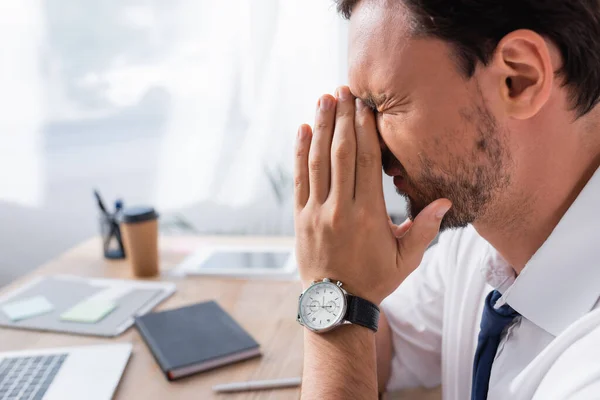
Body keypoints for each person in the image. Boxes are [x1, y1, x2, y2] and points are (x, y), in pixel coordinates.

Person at [293, 0, 600, 399]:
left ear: (519, 79)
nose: (366, 139)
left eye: (383, 103)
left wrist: (337, 295)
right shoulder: (480, 241)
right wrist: (345, 278)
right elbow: (385, 342)